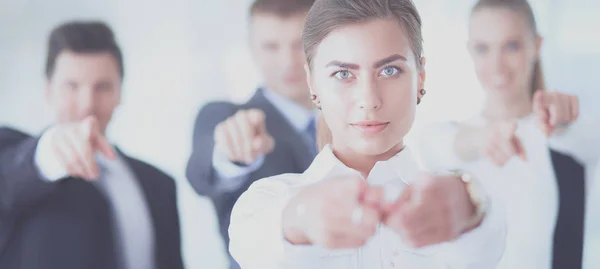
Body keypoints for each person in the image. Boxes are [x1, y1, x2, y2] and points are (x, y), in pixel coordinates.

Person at [228, 0, 506, 268]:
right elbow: (256, 241)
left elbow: (485, 246)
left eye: (389, 70)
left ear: (420, 78)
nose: (369, 100)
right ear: (313, 83)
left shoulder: (449, 206)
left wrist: (469, 208)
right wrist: (299, 219)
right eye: (343, 74)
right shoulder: (268, 200)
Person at [417, 0, 599, 268]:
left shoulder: (571, 136)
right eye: (482, 48)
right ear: (470, 51)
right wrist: (483, 139)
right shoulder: (443, 139)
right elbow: (443, 145)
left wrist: (561, 126)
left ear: (536, 46)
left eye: (511, 46)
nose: (497, 65)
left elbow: (584, 140)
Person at [0, 21, 184, 269]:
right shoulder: (18, 163)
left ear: (120, 92)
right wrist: (49, 151)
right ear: (48, 90)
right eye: (71, 86)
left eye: (103, 87)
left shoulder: (159, 185)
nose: (87, 103)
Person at [186, 1, 316, 268]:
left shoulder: (355, 125)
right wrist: (231, 154)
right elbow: (203, 171)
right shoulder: (226, 116)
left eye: (299, 44)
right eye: (271, 46)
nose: (288, 61)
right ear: (252, 50)